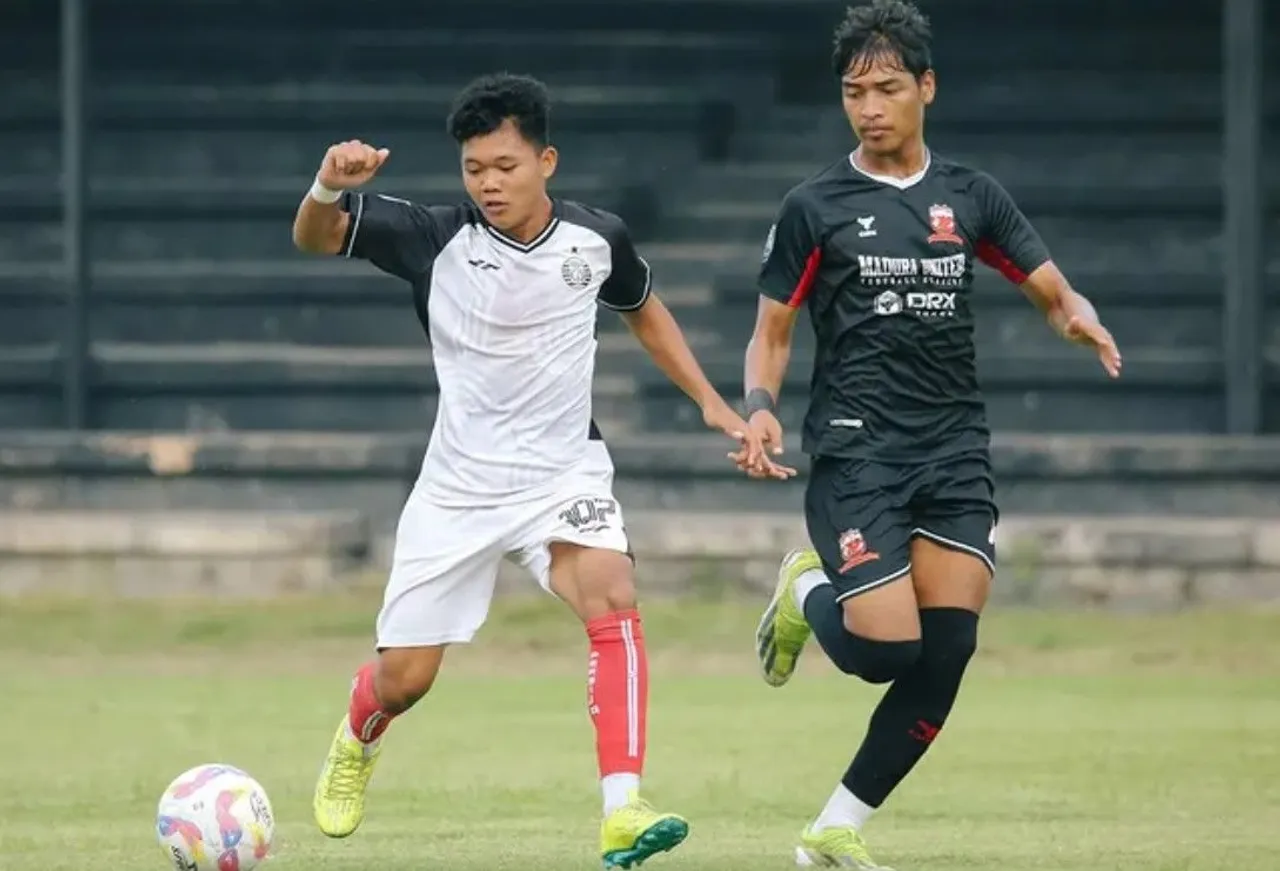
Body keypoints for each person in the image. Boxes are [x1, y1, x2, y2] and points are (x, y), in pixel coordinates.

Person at [292, 72, 779, 869]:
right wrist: (326, 186)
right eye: (475, 167)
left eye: (505, 166)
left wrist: (709, 401)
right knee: (405, 678)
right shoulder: (433, 236)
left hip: (564, 475)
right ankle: (357, 735)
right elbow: (313, 236)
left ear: (546, 160)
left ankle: (622, 810)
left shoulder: (597, 239)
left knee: (613, 591)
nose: (488, 182)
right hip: (458, 488)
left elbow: (643, 309)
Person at [743, 1, 1122, 867]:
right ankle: (808, 590)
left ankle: (834, 828)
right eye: (853, 91)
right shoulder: (815, 205)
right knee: (886, 650)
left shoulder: (970, 196)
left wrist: (1080, 320)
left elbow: (1051, 286)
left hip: (952, 447)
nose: (869, 106)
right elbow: (772, 326)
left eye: (886, 88)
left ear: (926, 88)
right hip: (858, 447)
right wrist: (760, 404)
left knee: (946, 648)